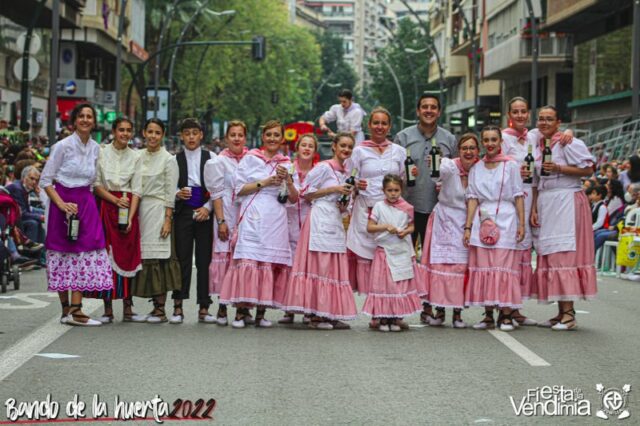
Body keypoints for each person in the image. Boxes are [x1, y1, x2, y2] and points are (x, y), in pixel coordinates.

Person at [219, 120, 298, 329]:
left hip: (276, 218)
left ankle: (261, 312)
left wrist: (288, 181)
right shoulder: (250, 159)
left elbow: (294, 198)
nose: (272, 138)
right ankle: (241, 312)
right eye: (269, 135)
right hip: (253, 215)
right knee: (248, 262)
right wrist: (265, 182)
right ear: (263, 137)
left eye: (276, 135)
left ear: (282, 138)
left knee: (268, 264)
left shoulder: (287, 162)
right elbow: (238, 189)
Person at [40, 103, 113, 326]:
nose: (85, 120)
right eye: (81, 116)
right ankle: (67, 310)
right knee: (62, 253)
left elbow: (96, 181)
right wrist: (61, 204)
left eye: (89, 116)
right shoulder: (62, 146)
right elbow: (45, 180)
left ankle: (77, 309)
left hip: (86, 202)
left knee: (85, 252)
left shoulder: (96, 148)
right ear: (74, 120)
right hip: (62, 202)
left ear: (94, 121)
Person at [281, 132, 358, 330]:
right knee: (319, 266)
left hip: (334, 219)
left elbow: (342, 202)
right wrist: (334, 190)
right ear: (334, 146)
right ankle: (315, 314)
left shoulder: (347, 172)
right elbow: (305, 193)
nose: (346, 150)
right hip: (319, 219)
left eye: (349, 147)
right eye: (342, 146)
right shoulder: (324, 167)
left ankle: (329, 313)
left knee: (333, 267)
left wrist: (345, 200)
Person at [531, 105, 597, 330]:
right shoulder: (538, 144)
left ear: (558, 122)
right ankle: (560, 312)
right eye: (541, 119)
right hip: (547, 200)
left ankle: (569, 314)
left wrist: (559, 167)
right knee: (551, 255)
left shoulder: (570, 143)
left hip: (566, 200)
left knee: (564, 256)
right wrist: (534, 207)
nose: (544, 123)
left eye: (549, 119)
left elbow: (589, 169)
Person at [463, 125, 525, 332]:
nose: (490, 144)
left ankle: (506, 314)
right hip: (483, 220)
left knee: (503, 268)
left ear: (500, 142)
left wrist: (522, 224)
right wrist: (468, 227)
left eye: (494, 140)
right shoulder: (476, 168)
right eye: (486, 140)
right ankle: (489, 314)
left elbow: (518, 196)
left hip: (506, 219)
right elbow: (472, 199)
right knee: (485, 268)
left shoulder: (511, 166)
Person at [346, 108, 407, 308]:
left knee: (389, 263)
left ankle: (390, 309)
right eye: (376, 123)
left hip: (390, 215)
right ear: (369, 125)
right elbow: (349, 179)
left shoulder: (399, 151)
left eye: (384, 123)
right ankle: (374, 310)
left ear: (389, 127)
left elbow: (403, 181)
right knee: (371, 262)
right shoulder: (359, 151)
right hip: (366, 213)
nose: (379, 127)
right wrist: (356, 184)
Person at [86, 117, 145, 323]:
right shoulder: (101, 152)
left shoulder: (136, 156)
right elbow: (97, 184)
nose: (125, 134)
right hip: (106, 207)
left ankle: (128, 307)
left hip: (128, 207)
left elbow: (137, 189)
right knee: (105, 258)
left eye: (129, 130)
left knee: (128, 255)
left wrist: (130, 217)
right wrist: (114, 200)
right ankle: (107, 307)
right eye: (121, 130)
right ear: (113, 131)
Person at [419, 133, 480, 328]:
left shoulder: (480, 169)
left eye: (472, 148)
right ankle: (440, 310)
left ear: (477, 151)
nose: (468, 152)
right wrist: (434, 163)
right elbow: (438, 173)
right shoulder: (450, 165)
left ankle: (458, 313)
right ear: (458, 151)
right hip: (445, 219)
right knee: (441, 266)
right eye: (464, 149)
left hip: (466, 220)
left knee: (460, 267)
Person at [131, 118, 181, 323]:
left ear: (162, 135)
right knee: (140, 258)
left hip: (159, 210)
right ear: (144, 133)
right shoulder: (136, 156)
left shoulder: (169, 159)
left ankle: (160, 309)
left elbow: (170, 192)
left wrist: (168, 219)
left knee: (160, 260)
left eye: (157, 132)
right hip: (138, 209)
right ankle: (132, 307)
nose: (152, 136)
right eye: (149, 131)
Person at [393, 94, 457, 248]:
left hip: (440, 209)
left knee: (434, 258)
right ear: (418, 111)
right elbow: (393, 176)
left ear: (439, 112)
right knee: (405, 257)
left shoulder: (449, 139)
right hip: (407, 207)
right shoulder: (403, 138)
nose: (429, 111)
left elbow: (457, 173)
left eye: (433, 107)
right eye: (425, 107)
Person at [204, 121, 250, 326]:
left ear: (245, 138)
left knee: (244, 261)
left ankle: (243, 308)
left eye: (240, 135)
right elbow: (217, 193)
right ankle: (222, 308)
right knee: (225, 261)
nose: (237, 139)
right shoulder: (219, 161)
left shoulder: (252, 159)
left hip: (248, 217)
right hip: (226, 215)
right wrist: (221, 220)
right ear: (226, 138)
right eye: (233, 135)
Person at [362, 174, 422, 331]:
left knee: (399, 285)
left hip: (401, 250)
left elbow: (411, 226)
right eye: (389, 190)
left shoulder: (407, 207)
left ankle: (396, 317)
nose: (393, 193)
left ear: (401, 190)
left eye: (396, 190)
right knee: (384, 285)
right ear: (383, 190)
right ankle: (383, 317)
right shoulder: (379, 207)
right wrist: (385, 226)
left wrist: (405, 232)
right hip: (385, 251)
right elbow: (370, 227)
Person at [172, 118, 214, 324]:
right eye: (187, 133)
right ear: (181, 136)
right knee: (183, 258)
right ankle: (178, 304)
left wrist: (208, 208)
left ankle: (204, 306)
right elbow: (167, 186)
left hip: (205, 209)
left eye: (194, 133)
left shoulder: (211, 157)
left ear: (201, 135)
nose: (191, 137)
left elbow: (218, 188)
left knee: (205, 259)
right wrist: (177, 193)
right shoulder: (174, 159)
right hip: (183, 211)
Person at [279, 133, 317, 325]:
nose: (307, 148)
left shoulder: (319, 171)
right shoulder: (288, 169)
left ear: (314, 151)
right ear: (297, 148)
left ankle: (309, 308)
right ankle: (289, 308)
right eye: (304, 145)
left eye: (311, 146)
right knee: (291, 264)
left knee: (309, 266)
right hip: (291, 221)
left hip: (311, 222)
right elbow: (286, 196)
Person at [6, 166, 45, 244]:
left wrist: (38, 194)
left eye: (36, 180)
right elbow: (23, 214)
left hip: (17, 217)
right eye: (32, 178)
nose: (34, 182)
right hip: (9, 219)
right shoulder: (17, 188)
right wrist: (40, 217)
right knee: (33, 223)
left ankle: (41, 251)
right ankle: (30, 251)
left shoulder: (24, 187)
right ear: (24, 177)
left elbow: (27, 210)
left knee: (39, 219)